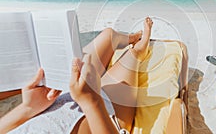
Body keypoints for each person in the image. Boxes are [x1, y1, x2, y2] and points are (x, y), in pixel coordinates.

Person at [0, 17, 153, 134]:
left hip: (52, 107)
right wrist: (93, 103)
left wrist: (28, 107)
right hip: (102, 118)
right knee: (133, 55)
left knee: (108, 36)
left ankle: (124, 38)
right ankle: (139, 48)